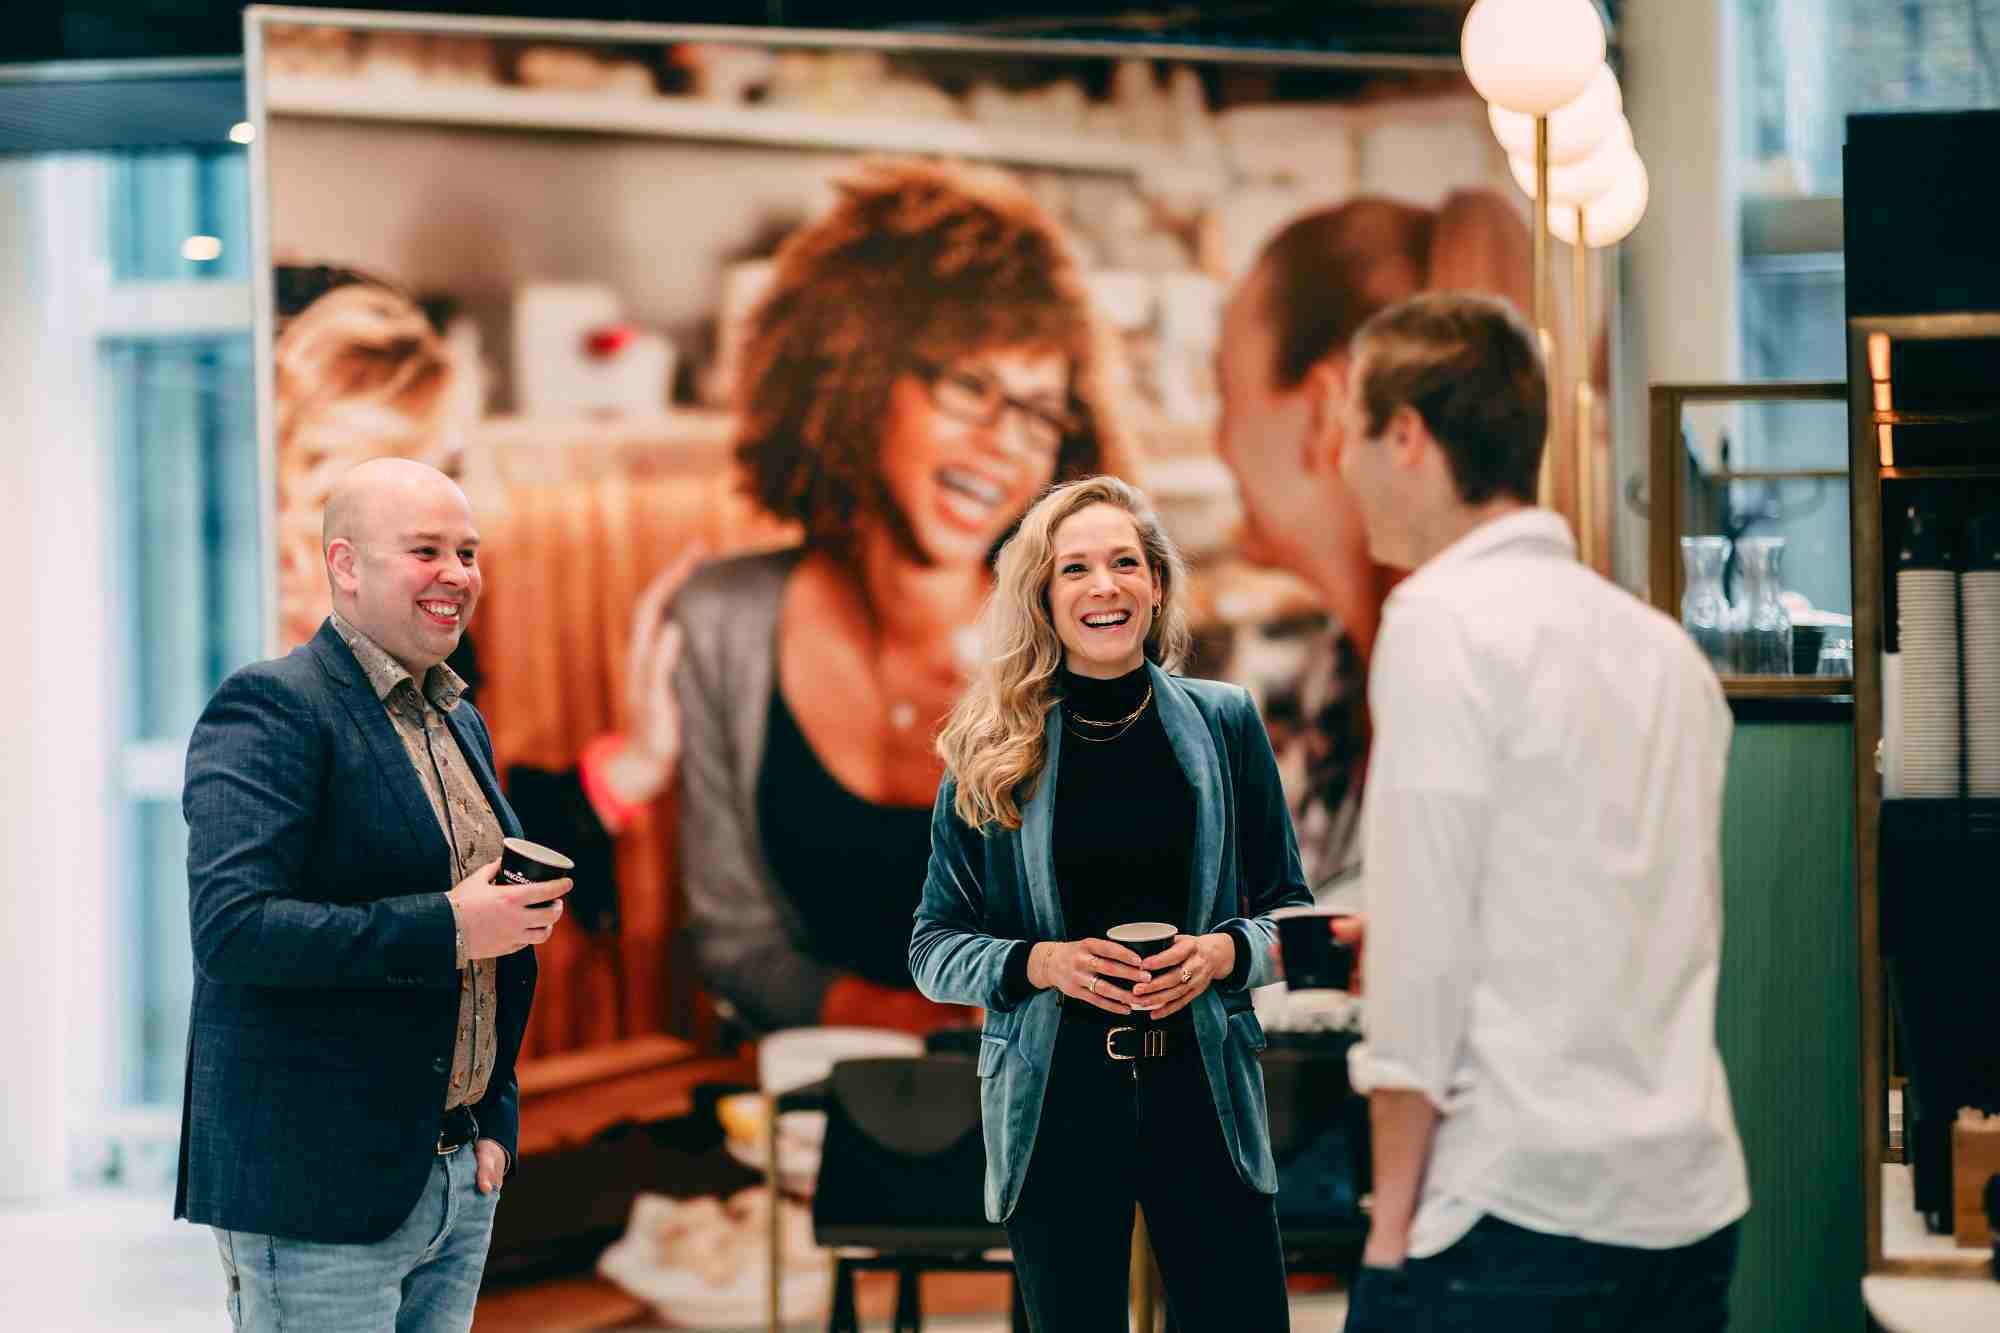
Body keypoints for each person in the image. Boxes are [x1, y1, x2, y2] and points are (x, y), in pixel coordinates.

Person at [543, 158, 1134, 1035]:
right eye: (970, 386)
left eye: (1039, 413)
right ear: (859, 374)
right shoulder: (721, 624)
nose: (1003, 443)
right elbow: (738, 948)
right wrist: (920, 1032)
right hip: (821, 1123)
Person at [1328, 294, 1749, 1332]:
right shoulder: (1661, 651)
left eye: (1347, 430)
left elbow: (1422, 973)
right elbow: (1637, 913)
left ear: (1405, 435)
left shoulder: (1438, 624)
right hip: (1685, 1206)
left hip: (1516, 1216)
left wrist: (1385, 1242)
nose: (1340, 464)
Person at [177, 457, 566, 1332]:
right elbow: (235, 929)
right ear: (346, 565)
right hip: (317, 1192)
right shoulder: (272, 706)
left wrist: (490, 1122)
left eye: (468, 552)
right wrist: (452, 928)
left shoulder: (456, 716)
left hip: (456, 1180)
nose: (459, 575)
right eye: (426, 550)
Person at [911, 475, 1309, 1331]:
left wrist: (1224, 954)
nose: (1104, 586)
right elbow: (933, 947)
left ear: (1155, 584)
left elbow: (1295, 918)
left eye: (1125, 562)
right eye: (1075, 568)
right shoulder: (988, 747)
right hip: (1056, 1101)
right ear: (1043, 598)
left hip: (1203, 1090)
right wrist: (1039, 961)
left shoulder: (1228, 723)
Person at [1214, 191, 1535, 886]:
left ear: (1327, 411)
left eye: (1225, 391)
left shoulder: (1449, 675)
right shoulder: (1332, 695)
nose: (1220, 441)